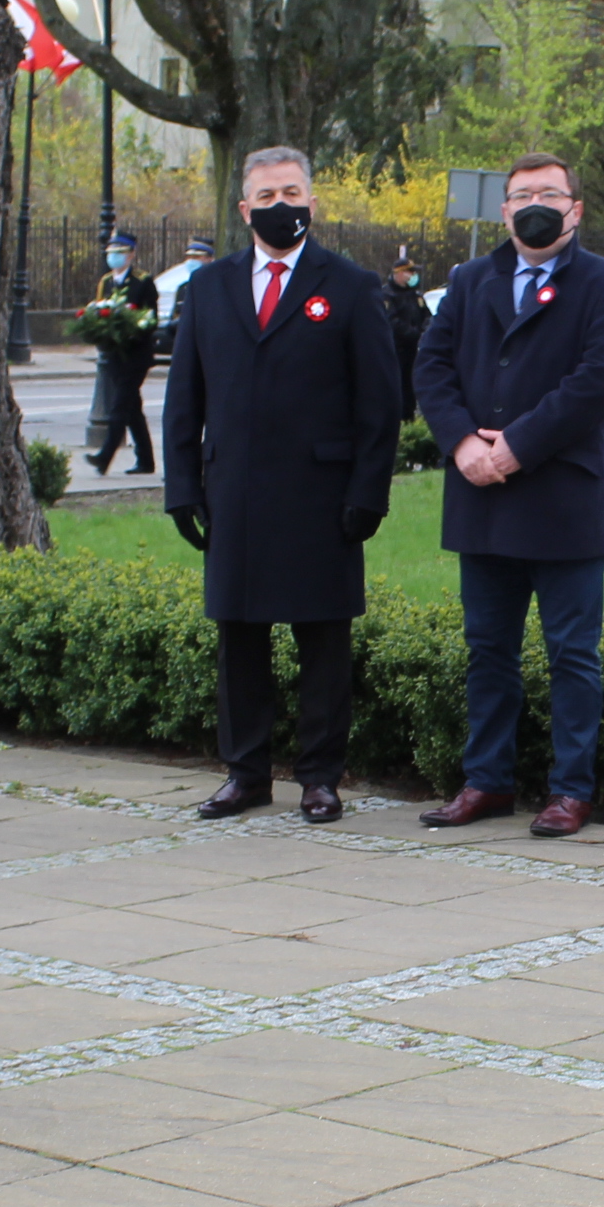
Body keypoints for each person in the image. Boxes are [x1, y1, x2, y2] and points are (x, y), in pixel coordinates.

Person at [160, 148, 401, 826]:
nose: (279, 206)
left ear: (313, 202)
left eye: (291, 192)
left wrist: (369, 493)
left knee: (322, 642)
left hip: (321, 497)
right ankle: (246, 774)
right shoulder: (208, 289)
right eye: (265, 196)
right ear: (244, 209)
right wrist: (183, 485)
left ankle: (320, 778)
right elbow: (185, 397)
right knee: (240, 639)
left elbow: (379, 405)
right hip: (234, 491)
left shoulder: (350, 286)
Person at [415, 152, 604, 838]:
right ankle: (487, 780)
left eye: (548, 193)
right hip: (481, 496)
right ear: (503, 209)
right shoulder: (470, 278)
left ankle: (571, 790)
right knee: (488, 650)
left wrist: (513, 447)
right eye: (520, 196)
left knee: (572, 652)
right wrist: (462, 445)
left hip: (566, 498)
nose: (533, 204)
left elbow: (599, 383)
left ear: (575, 208)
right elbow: (431, 366)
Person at [83, 231, 160, 475]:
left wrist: (131, 331)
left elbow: (150, 318)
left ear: (131, 254)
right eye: (111, 253)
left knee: (119, 406)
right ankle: (146, 461)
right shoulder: (106, 282)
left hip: (136, 355)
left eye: (120, 252)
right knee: (132, 409)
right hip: (115, 354)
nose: (114, 257)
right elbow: (99, 312)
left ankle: (104, 457)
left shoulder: (143, 281)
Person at [384, 248, 431, 422]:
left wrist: (424, 330)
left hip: (413, 349)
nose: (413, 275)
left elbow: (426, 315)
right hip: (395, 349)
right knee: (396, 387)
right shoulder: (387, 295)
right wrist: (414, 334)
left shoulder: (415, 295)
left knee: (410, 386)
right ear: (399, 273)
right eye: (410, 272)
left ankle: (409, 418)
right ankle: (396, 419)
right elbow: (392, 321)